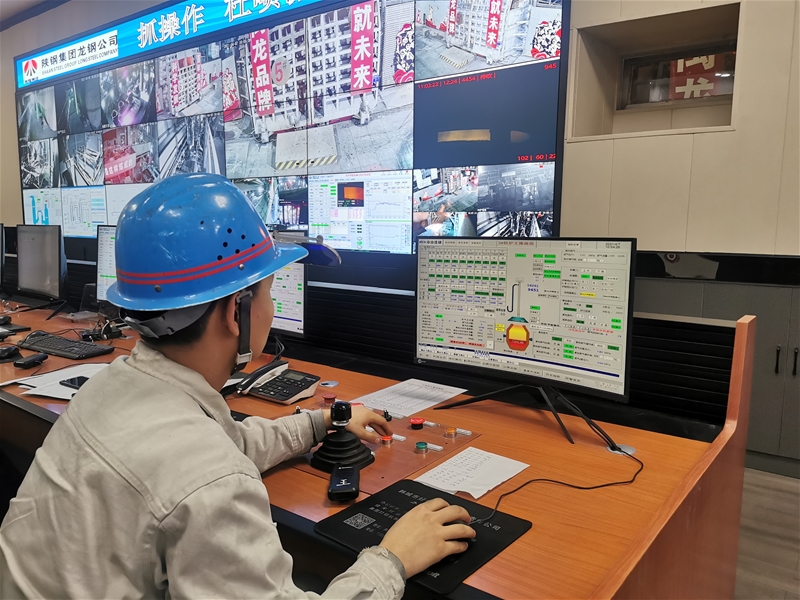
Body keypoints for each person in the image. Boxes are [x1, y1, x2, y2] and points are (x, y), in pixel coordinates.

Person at [0, 173, 475, 599]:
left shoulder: (112, 388)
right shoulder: (211, 479)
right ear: (236, 312)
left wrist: (322, 422)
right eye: (268, 292)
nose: (272, 309)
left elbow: (227, 444)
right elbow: (211, 470)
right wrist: (392, 559)